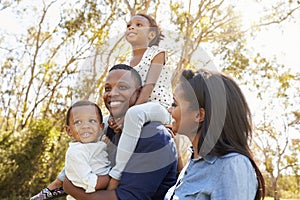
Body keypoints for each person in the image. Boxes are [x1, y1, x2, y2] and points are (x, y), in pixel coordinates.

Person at [63, 64, 178, 199]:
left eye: (122, 87)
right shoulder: (109, 132)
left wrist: (69, 187)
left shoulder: (154, 136)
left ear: (139, 93)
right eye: (107, 88)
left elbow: (128, 197)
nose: (112, 93)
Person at [164, 69, 265, 200]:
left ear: (199, 115)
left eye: (174, 104)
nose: (169, 109)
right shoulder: (193, 161)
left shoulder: (232, 166)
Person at [108, 13, 182, 189]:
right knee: (103, 121)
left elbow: (148, 87)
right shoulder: (127, 63)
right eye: (129, 25)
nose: (131, 27)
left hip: (159, 107)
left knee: (134, 113)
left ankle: (116, 176)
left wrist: (126, 115)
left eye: (139, 24)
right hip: (139, 109)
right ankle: (75, 175)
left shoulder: (156, 53)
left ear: (151, 34)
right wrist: (116, 116)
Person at [30, 100, 111, 200]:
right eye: (78, 122)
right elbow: (89, 183)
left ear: (101, 127)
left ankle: (56, 184)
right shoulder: (75, 152)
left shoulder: (98, 144)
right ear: (69, 131)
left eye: (92, 121)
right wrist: (110, 178)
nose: (85, 126)